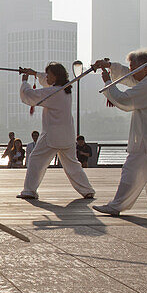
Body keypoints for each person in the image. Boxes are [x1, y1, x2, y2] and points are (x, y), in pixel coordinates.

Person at [91, 51, 147, 217]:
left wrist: (108, 81)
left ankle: (116, 205)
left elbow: (122, 99)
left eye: (133, 67)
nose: (130, 71)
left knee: (130, 170)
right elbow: (129, 77)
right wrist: (108, 66)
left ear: (143, 68)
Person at [16, 63, 95, 200]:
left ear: (56, 76)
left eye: (49, 74)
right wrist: (34, 73)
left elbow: (29, 95)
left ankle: (29, 190)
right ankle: (87, 190)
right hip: (68, 135)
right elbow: (46, 83)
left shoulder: (53, 92)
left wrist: (24, 81)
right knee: (72, 164)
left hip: (52, 135)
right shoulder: (64, 90)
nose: (46, 77)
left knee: (35, 160)